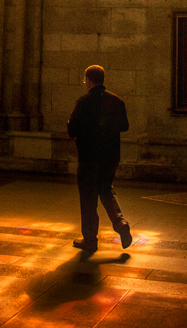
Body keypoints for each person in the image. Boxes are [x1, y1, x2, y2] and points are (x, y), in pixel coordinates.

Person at [67, 65, 132, 254]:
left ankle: (90, 240)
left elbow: (72, 131)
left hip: (89, 156)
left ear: (88, 79)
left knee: (88, 198)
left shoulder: (83, 101)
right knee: (105, 190)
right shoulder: (116, 101)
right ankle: (121, 224)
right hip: (111, 156)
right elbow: (125, 126)